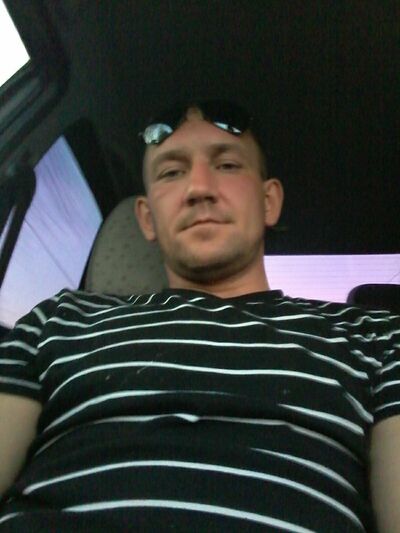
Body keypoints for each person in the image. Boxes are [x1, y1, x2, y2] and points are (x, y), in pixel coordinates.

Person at [0, 98, 399, 532]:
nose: (199, 188)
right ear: (146, 218)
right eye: (171, 172)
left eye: (227, 165)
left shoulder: (374, 337)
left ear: (269, 201)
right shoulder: (59, 321)